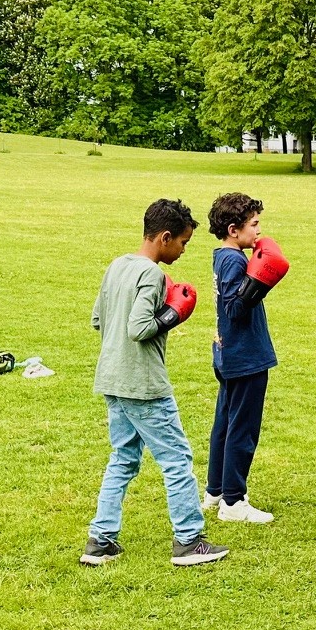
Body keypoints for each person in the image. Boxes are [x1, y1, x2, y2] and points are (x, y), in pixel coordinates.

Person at [81, 199, 228, 569]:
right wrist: (173, 314)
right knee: (176, 459)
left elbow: (98, 320)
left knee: (123, 458)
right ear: (164, 237)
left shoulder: (116, 265)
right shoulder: (153, 275)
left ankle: (100, 541)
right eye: (182, 243)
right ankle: (189, 541)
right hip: (144, 385)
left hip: (111, 379)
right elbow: (139, 328)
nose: (182, 250)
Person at [203, 192, 288, 524]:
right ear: (233, 229)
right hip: (245, 357)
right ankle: (233, 501)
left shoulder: (222, 256)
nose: (259, 231)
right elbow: (235, 309)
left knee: (225, 423)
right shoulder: (235, 260)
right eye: (254, 225)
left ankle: (216, 491)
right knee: (243, 427)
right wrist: (262, 281)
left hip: (228, 353)